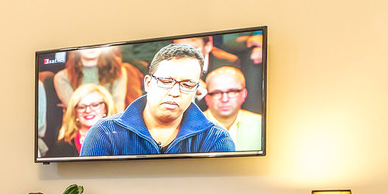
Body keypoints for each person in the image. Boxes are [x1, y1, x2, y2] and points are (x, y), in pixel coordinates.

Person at [80, 44, 235, 157]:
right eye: (166, 82)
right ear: (148, 83)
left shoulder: (216, 139)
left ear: (196, 90)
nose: (175, 92)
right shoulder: (104, 132)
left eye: (187, 85)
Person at [53, 46, 143, 112]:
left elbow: (118, 108)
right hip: (78, 129)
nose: (91, 48)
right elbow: (74, 112)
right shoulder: (62, 77)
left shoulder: (118, 71)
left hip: (110, 127)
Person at [202, 66, 262, 151]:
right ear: (207, 97)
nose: (224, 99)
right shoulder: (189, 127)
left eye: (232, 92)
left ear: (244, 94)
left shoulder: (262, 124)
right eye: (217, 93)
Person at [48, 83, 115, 157]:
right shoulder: (62, 147)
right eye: (81, 107)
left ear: (106, 108)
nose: (88, 110)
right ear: (75, 112)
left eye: (95, 105)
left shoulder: (120, 142)